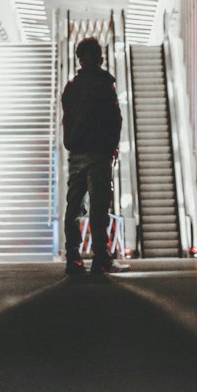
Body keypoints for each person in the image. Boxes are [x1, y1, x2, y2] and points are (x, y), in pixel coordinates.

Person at [61, 37, 122, 275]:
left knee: (73, 206)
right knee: (98, 208)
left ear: (79, 58)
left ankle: (73, 258)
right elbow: (115, 119)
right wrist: (112, 145)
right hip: (99, 154)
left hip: (76, 154)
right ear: (100, 58)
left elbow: (67, 118)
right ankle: (101, 258)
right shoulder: (105, 85)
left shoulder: (71, 87)